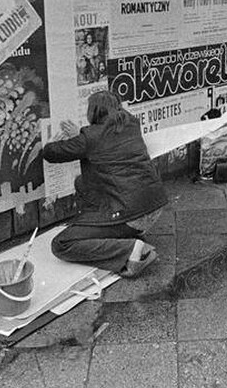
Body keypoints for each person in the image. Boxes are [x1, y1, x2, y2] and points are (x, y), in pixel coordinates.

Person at [41, 90, 168, 277]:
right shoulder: (132, 125)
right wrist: (82, 136)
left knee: (61, 244)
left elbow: (51, 153)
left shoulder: (90, 138)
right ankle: (118, 233)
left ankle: (130, 249)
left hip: (131, 214)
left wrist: (55, 142)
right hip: (154, 206)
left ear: (93, 112)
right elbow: (106, 140)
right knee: (81, 183)